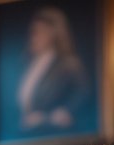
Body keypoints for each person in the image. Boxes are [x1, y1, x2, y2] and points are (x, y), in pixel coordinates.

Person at [17, 6, 87, 134]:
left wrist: (47, 118)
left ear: (54, 34)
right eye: (33, 32)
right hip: (26, 136)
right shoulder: (26, 64)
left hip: (54, 136)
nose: (34, 38)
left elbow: (82, 96)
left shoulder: (68, 64)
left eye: (40, 32)